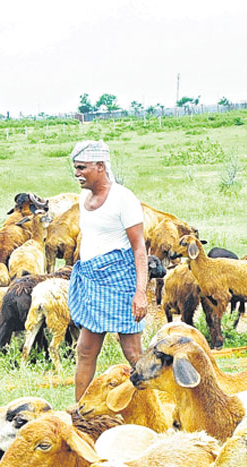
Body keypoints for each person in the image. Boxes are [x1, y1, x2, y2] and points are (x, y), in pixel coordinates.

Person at [67, 140, 149, 402]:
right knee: (85, 350)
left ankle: (157, 406)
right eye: (75, 168)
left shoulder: (123, 199)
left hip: (120, 281)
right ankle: (80, 411)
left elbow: (139, 249)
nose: (77, 173)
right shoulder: (84, 198)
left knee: (133, 352)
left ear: (100, 167)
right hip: (92, 281)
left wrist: (140, 292)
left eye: (82, 168)